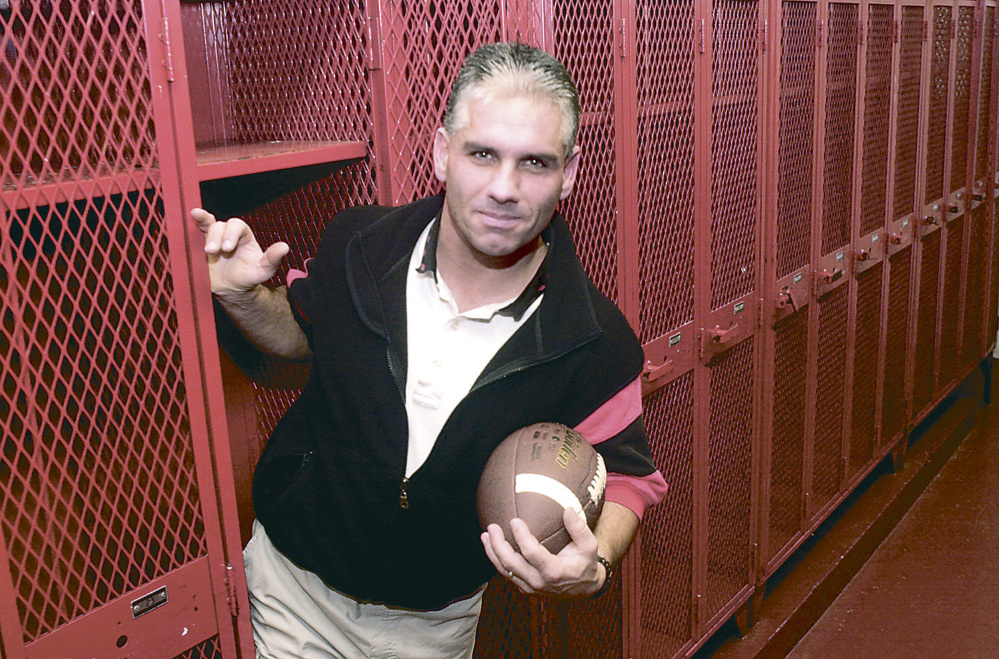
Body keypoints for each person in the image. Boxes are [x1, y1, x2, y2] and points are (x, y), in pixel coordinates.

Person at [191, 42, 667, 659]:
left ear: (569, 173)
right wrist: (245, 298)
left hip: (433, 624)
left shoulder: (595, 338)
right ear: (443, 153)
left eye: (535, 163)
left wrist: (594, 565)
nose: (504, 188)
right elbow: (304, 338)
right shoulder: (357, 245)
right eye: (482, 153)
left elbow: (630, 476)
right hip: (292, 590)